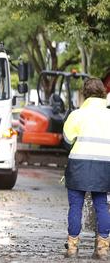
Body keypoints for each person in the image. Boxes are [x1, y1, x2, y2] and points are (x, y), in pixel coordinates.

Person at [62, 78, 110, 259]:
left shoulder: (76, 115)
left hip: (79, 166)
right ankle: (102, 250)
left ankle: (72, 249)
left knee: (76, 206)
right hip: (105, 166)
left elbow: (67, 141)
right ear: (103, 94)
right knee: (102, 206)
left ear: (84, 94)